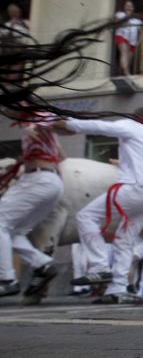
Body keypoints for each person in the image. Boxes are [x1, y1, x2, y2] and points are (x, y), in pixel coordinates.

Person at [53, 107, 143, 304]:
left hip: (134, 187)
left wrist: (68, 123)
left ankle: (99, 268)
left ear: (133, 117)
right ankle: (118, 289)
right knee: (124, 239)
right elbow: (141, 161)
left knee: (85, 217)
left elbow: (100, 126)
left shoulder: (131, 126)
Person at [0, 110, 65, 297]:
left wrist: (33, 128)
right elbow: (62, 157)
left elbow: (45, 123)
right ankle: (43, 264)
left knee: (1, 223)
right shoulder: (35, 123)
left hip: (38, 179)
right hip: (51, 182)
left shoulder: (38, 116)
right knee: (14, 231)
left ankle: (6, 279)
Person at [114, 0, 143, 76]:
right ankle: (127, 73)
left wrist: (138, 42)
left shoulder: (137, 21)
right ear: (124, 7)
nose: (129, 8)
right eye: (127, 6)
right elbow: (116, 22)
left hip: (132, 42)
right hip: (122, 36)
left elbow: (140, 32)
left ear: (133, 8)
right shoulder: (120, 14)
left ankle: (122, 72)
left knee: (128, 59)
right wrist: (125, 19)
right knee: (124, 54)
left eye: (130, 6)